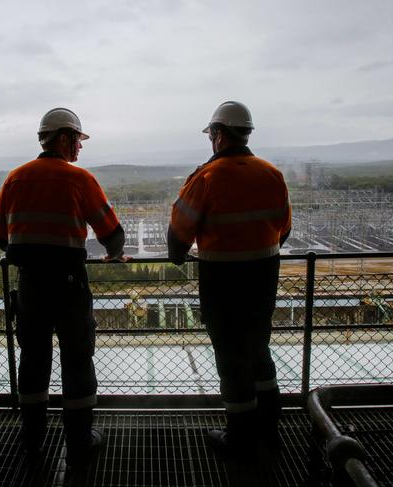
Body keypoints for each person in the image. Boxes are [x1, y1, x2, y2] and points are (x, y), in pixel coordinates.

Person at [0, 108, 126, 467]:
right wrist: (115, 253)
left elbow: (1, 238)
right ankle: (80, 441)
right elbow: (112, 236)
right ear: (64, 139)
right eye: (77, 142)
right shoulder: (79, 180)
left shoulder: (14, 179)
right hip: (69, 286)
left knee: (33, 361)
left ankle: (33, 439)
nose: (79, 150)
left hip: (31, 285)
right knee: (78, 360)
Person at [167, 101, 291, 458]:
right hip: (263, 279)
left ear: (219, 136)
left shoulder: (207, 178)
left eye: (212, 136)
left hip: (222, 283)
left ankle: (239, 438)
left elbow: (178, 237)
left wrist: (180, 255)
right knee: (259, 351)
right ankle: (269, 427)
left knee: (231, 358)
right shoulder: (272, 174)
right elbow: (283, 230)